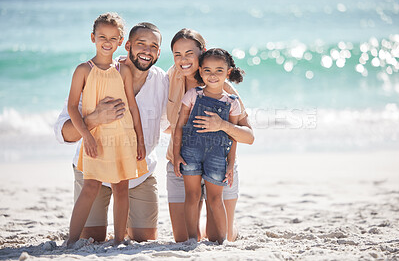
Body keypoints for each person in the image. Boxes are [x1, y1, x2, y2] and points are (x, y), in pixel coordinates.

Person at [54, 21, 168, 244]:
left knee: (143, 237)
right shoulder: (86, 71)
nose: (146, 50)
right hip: (96, 150)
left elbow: (140, 108)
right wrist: (91, 125)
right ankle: (73, 241)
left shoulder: (159, 79)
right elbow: (63, 128)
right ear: (127, 46)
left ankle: (120, 237)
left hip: (130, 155)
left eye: (153, 46)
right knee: (93, 236)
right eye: (141, 44)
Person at [166, 29, 254, 243]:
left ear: (202, 52)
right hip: (184, 161)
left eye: (189, 53)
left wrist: (222, 125)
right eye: (177, 54)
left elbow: (248, 136)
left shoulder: (224, 88)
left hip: (219, 161)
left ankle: (231, 229)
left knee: (219, 236)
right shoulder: (171, 77)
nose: (183, 60)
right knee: (183, 238)